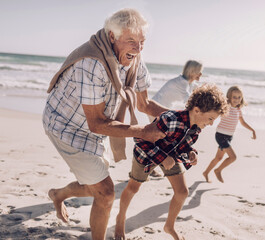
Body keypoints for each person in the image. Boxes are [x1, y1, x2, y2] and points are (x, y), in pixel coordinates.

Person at [42, 9, 168, 240]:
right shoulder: (92, 62)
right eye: (131, 41)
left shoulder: (133, 57)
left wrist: (182, 119)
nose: (138, 48)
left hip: (96, 126)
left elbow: (144, 103)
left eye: (142, 42)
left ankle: (58, 194)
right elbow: (97, 123)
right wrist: (144, 132)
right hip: (65, 127)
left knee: (95, 185)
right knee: (106, 193)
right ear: (112, 36)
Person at [114, 84, 228, 240]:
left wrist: (191, 152)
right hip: (146, 154)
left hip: (171, 155)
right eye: (210, 119)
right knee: (133, 188)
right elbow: (140, 139)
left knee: (182, 192)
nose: (211, 124)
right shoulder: (169, 119)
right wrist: (162, 158)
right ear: (196, 110)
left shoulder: (196, 127)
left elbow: (185, 143)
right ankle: (120, 218)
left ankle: (169, 226)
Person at [148, 60, 203, 177]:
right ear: (193, 71)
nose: (201, 74)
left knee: (159, 140)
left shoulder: (186, 83)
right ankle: (149, 167)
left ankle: (150, 167)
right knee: (160, 140)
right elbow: (189, 103)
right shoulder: (182, 83)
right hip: (156, 109)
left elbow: (195, 90)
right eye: (199, 72)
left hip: (161, 108)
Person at [203, 86, 256, 183]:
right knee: (233, 157)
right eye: (234, 97)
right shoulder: (226, 107)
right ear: (229, 97)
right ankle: (218, 170)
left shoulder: (238, 110)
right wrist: (206, 122)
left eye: (239, 97)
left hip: (229, 136)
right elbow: (214, 115)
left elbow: (243, 122)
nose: (237, 99)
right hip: (220, 135)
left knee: (218, 158)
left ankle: (206, 172)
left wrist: (252, 130)